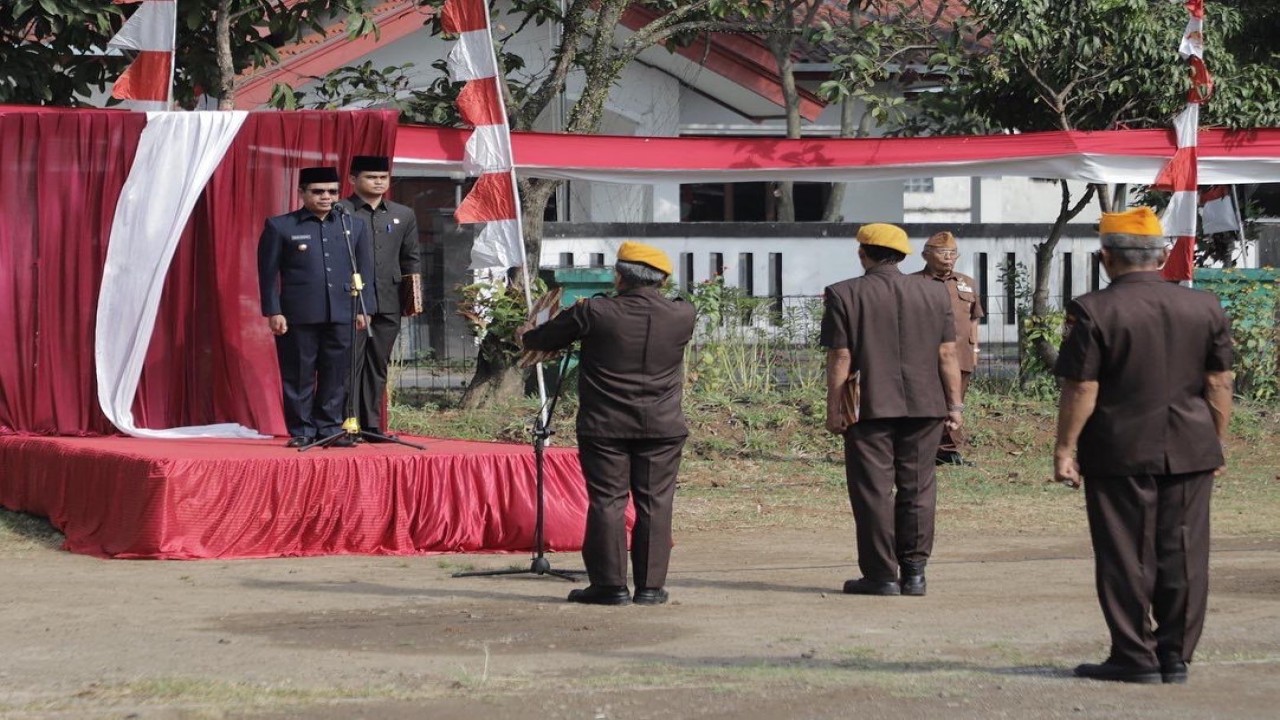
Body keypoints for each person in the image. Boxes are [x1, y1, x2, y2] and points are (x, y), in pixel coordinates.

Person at [1053, 206, 1233, 685]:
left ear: (1105, 256)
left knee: (1125, 553)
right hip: (1192, 446)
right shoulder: (1205, 305)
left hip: (1119, 449)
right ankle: (1175, 656)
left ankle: (1135, 654)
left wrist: (1064, 449)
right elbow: (1219, 382)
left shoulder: (1092, 309)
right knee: (1185, 550)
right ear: (1161, 256)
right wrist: (1216, 441)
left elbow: (1082, 388)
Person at [519, 241, 696, 606]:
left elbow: (538, 339)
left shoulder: (594, 312)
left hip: (605, 426)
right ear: (662, 280)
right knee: (656, 504)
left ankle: (610, 586)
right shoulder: (683, 314)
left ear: (619, 276)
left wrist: (532, 325)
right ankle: (650, 588)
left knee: (608, 502)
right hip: (662, 426)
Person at [821, 223, 964, 597]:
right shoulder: (935, 294)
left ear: (862, 253)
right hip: (926, 404)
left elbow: (840, 355)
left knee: (873, 490)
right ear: (902, 257)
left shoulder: (843, 293)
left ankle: (881, 575)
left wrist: (834, 407)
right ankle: (915, 573)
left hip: (870, 406)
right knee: (918, 487)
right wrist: (955, 405)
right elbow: (948, 353)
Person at [257, 166, 376, 448]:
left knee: (337, 373)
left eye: (332, 192)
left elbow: (365, 271)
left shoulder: (352, 226)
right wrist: (273, 311)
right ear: (302, 193)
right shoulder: (280, 226)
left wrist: (364, 308)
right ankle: (302, 430)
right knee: (299, 372)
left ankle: (329, 428)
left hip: (343, 311)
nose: (326, 197)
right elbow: (268, 274)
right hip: (298, 314)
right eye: (318, 191)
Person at [339, 155, 423, 441]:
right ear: (352, 179)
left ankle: (372, 425)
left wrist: (414, 300)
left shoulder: (403, 214)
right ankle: (346, 424)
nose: (378, 182)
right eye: (371, 177)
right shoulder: (341, 210)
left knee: (378, 363)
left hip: (389, 300)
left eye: (383, 177)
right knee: (350, 363)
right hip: (352, 302)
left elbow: (411, 260)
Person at [916, 231, 985, 466]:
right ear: (926, 255)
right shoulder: (913, 283)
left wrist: (974, 351)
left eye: (953, 253)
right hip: (925, 356)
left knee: (955, 403)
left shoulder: (967, 283)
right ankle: (922, 450)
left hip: (961, 355)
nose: (949, 257)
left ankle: (947, 451)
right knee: (926, 402)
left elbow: (974, 318)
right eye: (943, 252)